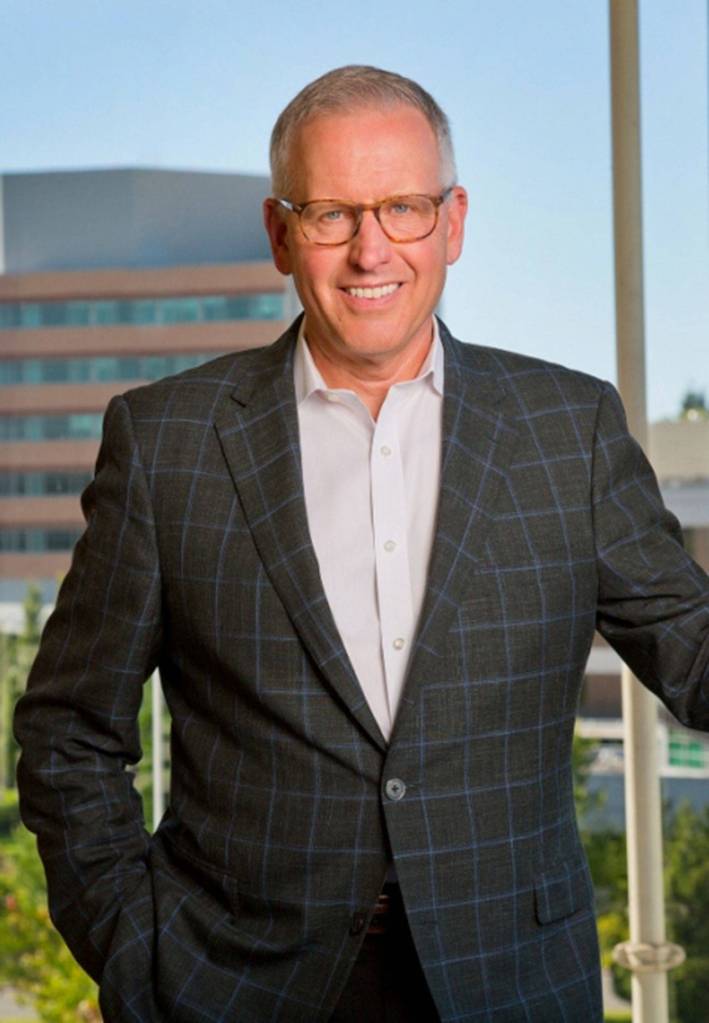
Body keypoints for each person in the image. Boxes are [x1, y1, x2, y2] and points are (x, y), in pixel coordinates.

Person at [13, 65, 709, 1023]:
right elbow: (69, 729)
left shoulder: (569, 428)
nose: (369, 249)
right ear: (280, 233)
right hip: (232, 986)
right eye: (331, 213)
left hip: (509, 983)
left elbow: (693, 652)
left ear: (452, 222)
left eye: (403, 208)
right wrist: (137, 952)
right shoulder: (167, 441)